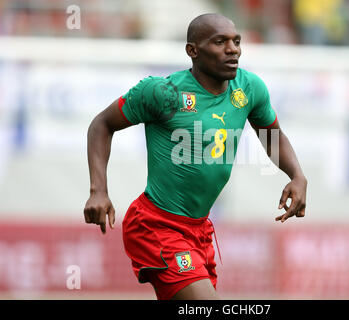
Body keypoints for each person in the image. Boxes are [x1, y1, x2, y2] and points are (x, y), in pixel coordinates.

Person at [83, 13, 307, 300]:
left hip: (199, 230)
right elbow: (102, 124)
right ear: (193, 51)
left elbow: (272, 136)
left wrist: (297, 175)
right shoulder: (163, 93)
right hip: (156, 225)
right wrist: (98, 190)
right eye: (220, 42)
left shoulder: (249, 88)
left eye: (236, 41)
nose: (233, 49)